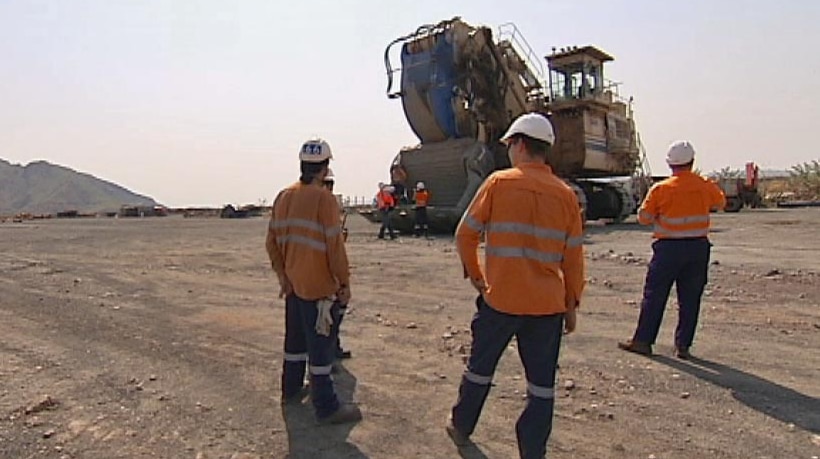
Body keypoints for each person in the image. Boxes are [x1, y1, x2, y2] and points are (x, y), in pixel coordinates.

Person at [446, 113, 585, 459]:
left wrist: (478, 278)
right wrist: (571, 305)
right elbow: (573, 259)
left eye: (509, 145)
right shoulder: (566, 195)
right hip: (547, 306)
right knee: (541, 386)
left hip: (501, 301)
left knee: (480, 369)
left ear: (520, 145)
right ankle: (532, 450)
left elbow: (465, 234)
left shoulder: (498, 184)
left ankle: (462, 426)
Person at [266, 137, 362, 425]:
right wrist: (344, 283)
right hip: (319, 287)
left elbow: (271, 242)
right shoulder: (324, 199)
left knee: (294, 342)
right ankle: (327, 407)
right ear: (324, 169)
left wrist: (284, 277)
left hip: (294, 285)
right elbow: (334, 246)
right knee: (320, 350)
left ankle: (291, 389)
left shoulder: (283, 196)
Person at [618, 141, 725, 360]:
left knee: (655, 295)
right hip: (697, 248)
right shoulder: (704, 185)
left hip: (668, 249)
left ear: (670, 165)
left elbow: (643, 218)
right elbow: (720, 202)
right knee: (690, 298)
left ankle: (643, 341)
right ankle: (683, 346)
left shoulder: (661, 189)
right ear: (692, 162)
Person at [322, 169, 352, 360]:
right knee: (328, 314)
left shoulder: (331, 205)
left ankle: (334, 347)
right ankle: (327, 352)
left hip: (333, 266)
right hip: (324, 269)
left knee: (337, 310)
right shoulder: (318, 206)